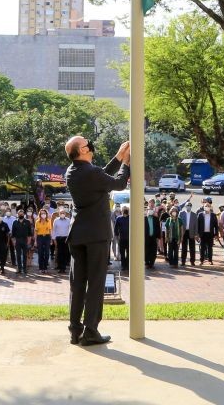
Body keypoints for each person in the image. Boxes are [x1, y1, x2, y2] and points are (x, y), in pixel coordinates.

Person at [64, 135, 130, 347]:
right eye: (86, 142)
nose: (90, 143)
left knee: (77, 285)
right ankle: (91, 331)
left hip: (78, 234)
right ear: (83, 151)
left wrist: (118, 157)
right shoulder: (91, 173)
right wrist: (126, 163)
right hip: (97, 235)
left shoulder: (72, 171)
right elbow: (118, 183)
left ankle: (75, 331)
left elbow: (101, 175)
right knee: (95, 284)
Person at [11, 209, 33, 276]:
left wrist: (29, 241)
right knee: (18, 255)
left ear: (24, 214)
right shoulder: (15, 222)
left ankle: (24, 269)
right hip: (17, 240)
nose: (21, 214)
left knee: (25, 255)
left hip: (25, 240)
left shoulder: (27, 222)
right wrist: (14, 241)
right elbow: (13, 234)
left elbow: (29, 233)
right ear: (17, 214)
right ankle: (19, 268)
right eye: (19, 214)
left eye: (22, 213)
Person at [197, 201, 220, 265]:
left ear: (210, 207)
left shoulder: (213, 215)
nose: (207, 207)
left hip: (210, 234)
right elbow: (198, 225)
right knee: (202, 248)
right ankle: (201, 260)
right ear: (203, 207)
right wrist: (197, 234)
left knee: (210, 248)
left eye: (208, 206)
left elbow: (216, 226)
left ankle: (210, 260)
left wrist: (216, 234)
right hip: (202, 234)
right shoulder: (200, 215)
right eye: (206, 206)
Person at [52, 209, 72, 273]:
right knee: (59, 253)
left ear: (65, 214)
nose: (62, 214)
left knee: (65, 253)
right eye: (61, 213)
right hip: (58, 238)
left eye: (63, 213)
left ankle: (63, 268)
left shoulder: (69, 220)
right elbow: (54, 230)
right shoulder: (56, 220)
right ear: (59, 213)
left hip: (66, 238)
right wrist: (54, 239)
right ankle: (60, 266)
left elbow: (70, 230)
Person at [113, 206, 130, 271]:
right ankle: (123, 265)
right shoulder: (119, 218)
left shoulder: (131, 218)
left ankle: (127, 265)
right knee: (122, 253)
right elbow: (116, 228)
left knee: (129, 253)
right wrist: (117, 236)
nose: (125, 212)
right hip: (121, 239)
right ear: (122, 211)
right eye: (124, 210)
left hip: (129, 239)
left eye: (126, 210)